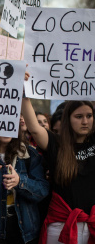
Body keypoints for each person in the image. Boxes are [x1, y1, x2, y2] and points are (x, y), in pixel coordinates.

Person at [21, 97, 95, 244]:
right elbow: (34, 129)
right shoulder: (56, 143)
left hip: (92, 226)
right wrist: (24, 93)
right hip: (61, 228)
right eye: (79, 117)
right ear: (68, 118)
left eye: (89, 116)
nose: (85, 121)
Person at [0, 134, 49, 244]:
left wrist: (20, 182)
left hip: (25, 231)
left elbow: (42, 191)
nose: (5, 130)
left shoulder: (29, 154)